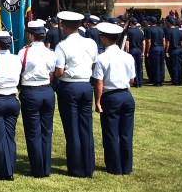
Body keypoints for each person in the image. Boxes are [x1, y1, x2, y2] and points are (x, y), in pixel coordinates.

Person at [53, 11, 98, 178]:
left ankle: (77, 168)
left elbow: (58, 71)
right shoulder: (91, 43)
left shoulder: (62, 46)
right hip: (86, 85)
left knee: (72, 128)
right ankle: (88, 166)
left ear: (64, 26)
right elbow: (94, 64)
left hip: (69, 86)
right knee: (86, 127)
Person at [92, 22, 136, 175]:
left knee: (111, 133)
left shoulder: (102, 58)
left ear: (104, 38)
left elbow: (99, 82)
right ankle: (126, 166)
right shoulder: (128, 56)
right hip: (126, 95)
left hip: (111, 96)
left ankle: (114, 166)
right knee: (126, 134)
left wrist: (97, 101)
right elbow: (132, 80)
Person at [17, 20, 56, 178]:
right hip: (47, 90)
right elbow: (53, 73)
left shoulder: (23, 52)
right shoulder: (50, 52)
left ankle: (37, 168)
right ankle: (45, 167)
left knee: (33, 132)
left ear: (30, 35)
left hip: (31, 90)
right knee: (46, 131)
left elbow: (19, 72)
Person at [0, 32, 20, 181]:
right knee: (9, 136)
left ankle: (4, 171)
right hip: (12, 99)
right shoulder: (17, 59)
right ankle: (10, 167)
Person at [163, 15, 182, 85]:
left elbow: (168, 42)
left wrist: (166, 51)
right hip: (179, 49)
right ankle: (180, 79)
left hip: (172, 50)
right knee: (179, 65)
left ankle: (175, 80)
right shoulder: (179, 30)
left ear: (169, 22)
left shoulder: (169, 31)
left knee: (173, 66)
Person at [124, 18, 144, 88]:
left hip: (132, 50)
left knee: (133, 66)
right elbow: (143, 42)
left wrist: (127, 51)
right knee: (139, 66)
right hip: (139, 50)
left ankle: (136, 82)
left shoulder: (129, 31)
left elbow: (127, 42)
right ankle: (140, 81)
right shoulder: (140, 31)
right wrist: (143, 52)